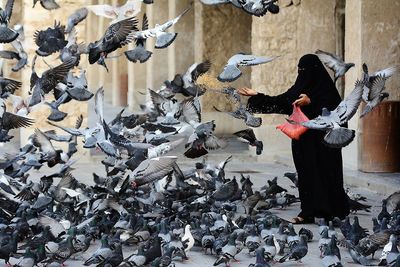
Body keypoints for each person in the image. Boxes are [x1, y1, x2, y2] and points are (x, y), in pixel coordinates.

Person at [238, 54, 350, 224]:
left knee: (327, 173)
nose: (302, 73)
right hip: (303, 140)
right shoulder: (299, 87)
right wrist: (257, 95)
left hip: (325, 141)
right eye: (300, 70)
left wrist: (311, 101)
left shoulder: (327, 90)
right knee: (306, 175)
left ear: (315, 70)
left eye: (305, 70)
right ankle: (308, 212)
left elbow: (337, 110)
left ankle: (332, 211)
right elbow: (282, 102)